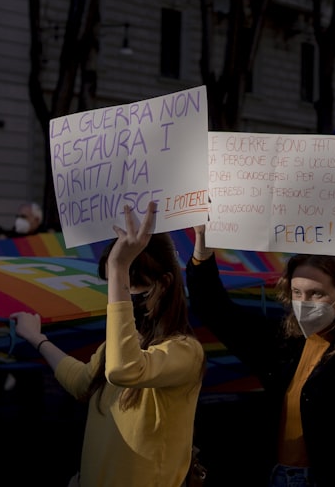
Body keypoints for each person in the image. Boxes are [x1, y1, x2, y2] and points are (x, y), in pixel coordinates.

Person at [186, 205, 335, 486]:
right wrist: (203, 244)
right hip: (276, 474)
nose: (304, 302)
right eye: (297, 292)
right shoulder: (281, 344)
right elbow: (213, 307)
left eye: (316, 293)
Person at [11, 202, 204, 487]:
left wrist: (118, 266)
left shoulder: (185, 351)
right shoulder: (122, 345)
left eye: (130, 283)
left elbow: (123, 370)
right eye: (116, 283)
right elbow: (81, 382)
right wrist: (38, 339)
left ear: (163, 283)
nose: (120, 294)